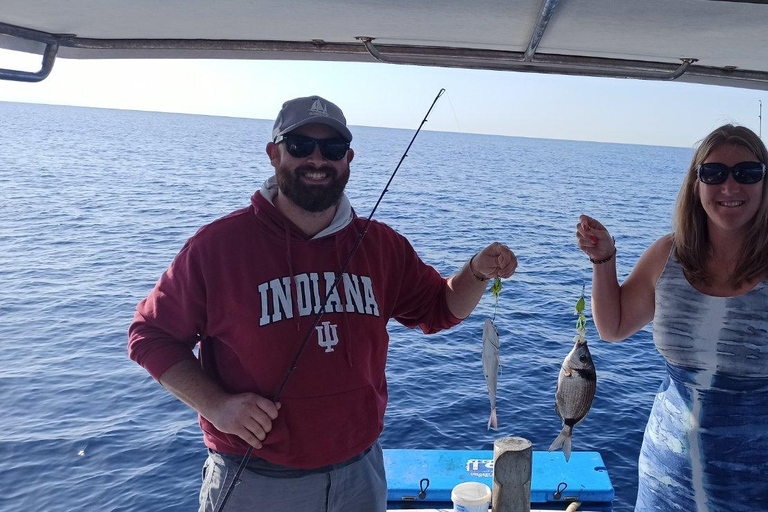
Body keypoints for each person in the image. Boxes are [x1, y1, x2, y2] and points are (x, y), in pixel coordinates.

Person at [128, 95, 517, 512]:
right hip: (256, 480)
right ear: (274, 153)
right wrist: (216, 405)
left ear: (347, 159)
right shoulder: (217, 247)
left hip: (360, 475)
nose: (317, 159)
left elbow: (440, 308)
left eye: (331, 149)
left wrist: (475, 271)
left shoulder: (382, 245)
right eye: (299, 146)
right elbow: (150, 336)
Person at [577, 124, 768, 511]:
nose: (730, 187)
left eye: (747, 173)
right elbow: (612, 327)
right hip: (665, 482)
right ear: (695, 185)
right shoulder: (667, 256)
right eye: (713, 173)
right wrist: (603, 259)